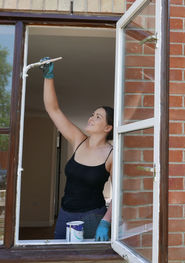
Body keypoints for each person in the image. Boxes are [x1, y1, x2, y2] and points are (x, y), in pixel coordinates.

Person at [40, 57, 113, 241]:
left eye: (98, 117)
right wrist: (49, 77)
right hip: (65, 214)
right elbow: (53, 110)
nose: (91, 118)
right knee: (60, 258)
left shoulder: (112, 155)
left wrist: (106, 221)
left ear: (107, 128)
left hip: (92, 217)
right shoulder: (78, 140)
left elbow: (121, 192)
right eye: (92, 114)